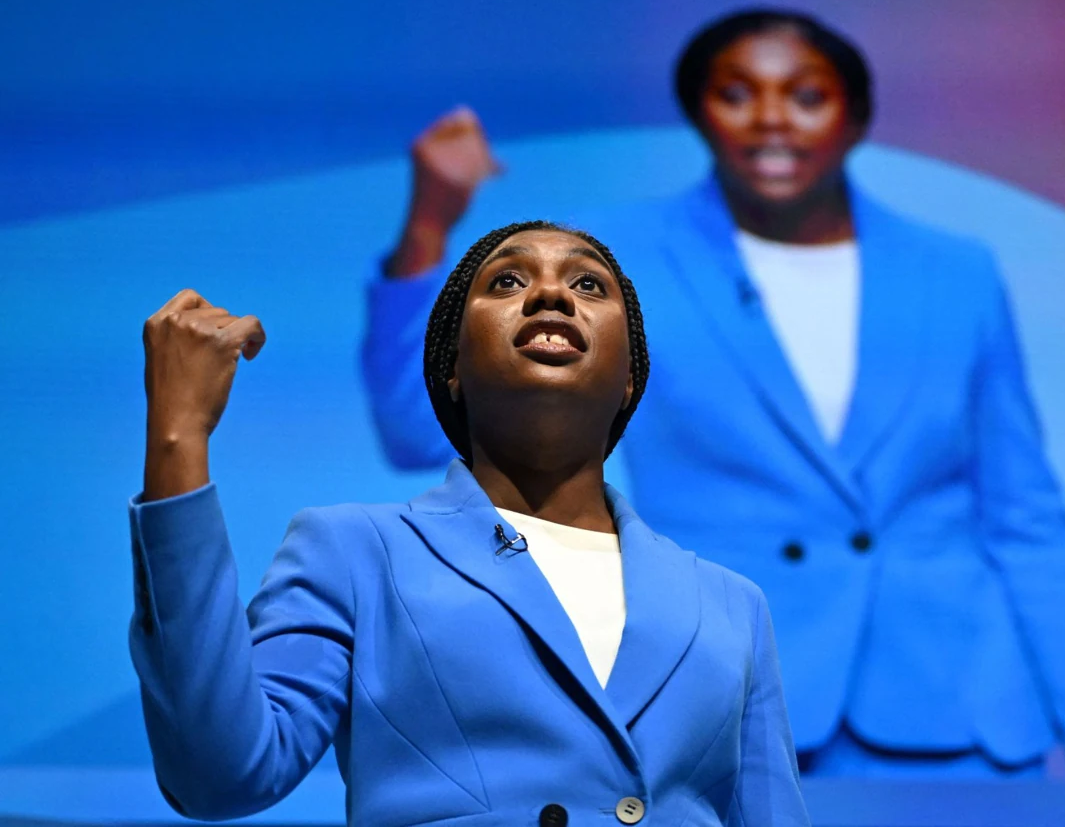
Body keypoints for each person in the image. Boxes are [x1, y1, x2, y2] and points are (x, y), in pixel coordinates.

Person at [361, 10, 1065, 781]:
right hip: (725, 707)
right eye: (736, 93)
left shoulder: (958, 273)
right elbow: (419, 427)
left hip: (965, 726)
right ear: (698, 114)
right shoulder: (613, 261)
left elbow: (1028, 523)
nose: (771, 119)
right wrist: (432, 221)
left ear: (856, 117)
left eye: (807, 95)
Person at [129, 222, 810, 825]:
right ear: (451, 367)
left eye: (589, 285)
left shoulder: (730, 605)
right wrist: (178, 436)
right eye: (509, 280)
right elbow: (219, 776)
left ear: (630, 377)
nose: (551, 296)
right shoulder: (357, 552)